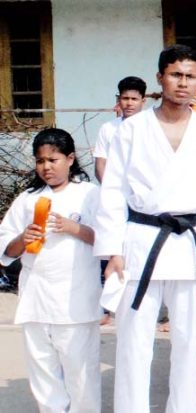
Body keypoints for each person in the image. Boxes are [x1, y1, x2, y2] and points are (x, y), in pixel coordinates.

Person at [95, 45, 196, 413]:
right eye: (175, 75)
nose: (183, 83)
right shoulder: (132, 129)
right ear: (160, 79)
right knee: (133, 342)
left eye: (190, 76)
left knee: (189, 343)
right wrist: (112, 251)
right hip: (141, 241)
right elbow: (112, 191)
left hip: (191, 243)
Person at [0, 129, 100, 412]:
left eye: (53, 160)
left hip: (76, 300)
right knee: (43, 372)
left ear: (70, 159)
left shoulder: (89, 195)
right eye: (40, 161)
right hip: (37, 298)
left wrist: (74, 228)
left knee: (81, 373)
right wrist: (22, 239)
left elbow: (110, 239)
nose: (46, 167)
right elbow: (6, 249)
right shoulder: (27, 199)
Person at [93, 76, 146, 182]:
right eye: (125, 98)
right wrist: (109, 191)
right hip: (115, 188)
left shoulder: (152, 126)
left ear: (143, 101)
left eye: (134, 99)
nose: (129, 103)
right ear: (119, 100)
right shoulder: (108, 128)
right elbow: (100, 163)